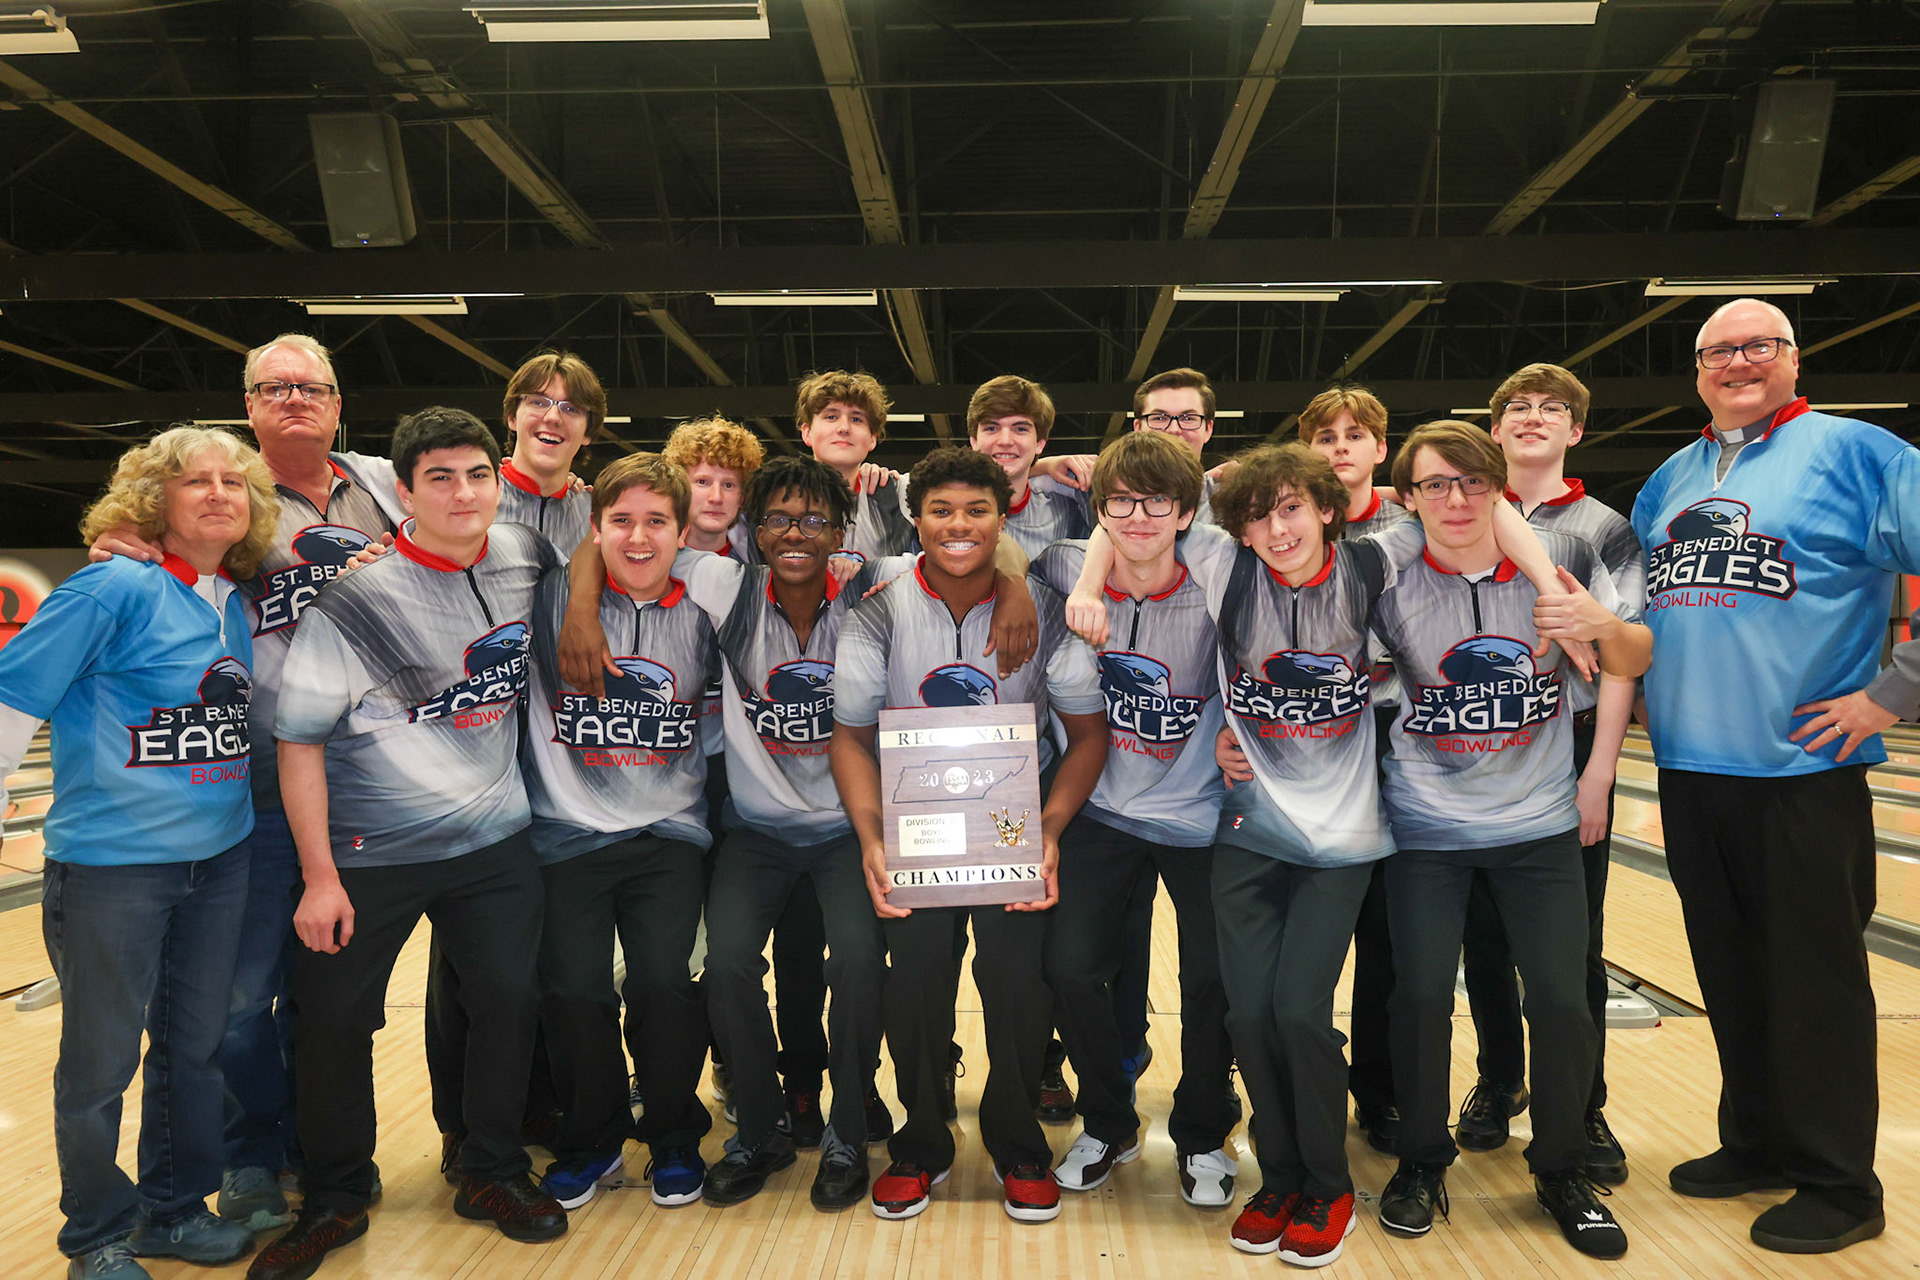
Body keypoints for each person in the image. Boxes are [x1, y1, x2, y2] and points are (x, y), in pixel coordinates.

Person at [87, 334, 402, 1234]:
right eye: (276, 387)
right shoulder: (228, 498)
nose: (295, 399)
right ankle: (254, 1155)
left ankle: (328, 1148)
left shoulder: (385, 483)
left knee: (335, 995)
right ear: (251, 403)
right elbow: (144, 532)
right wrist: (122, 538)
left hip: (376, 777)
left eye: (313, 387)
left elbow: (477, 508)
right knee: (236, 995)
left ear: (340, 404)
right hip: (263, 775)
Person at [249, 408, 567, 1280]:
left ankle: (489, 1168)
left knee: (506, 1004)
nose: (462, 493)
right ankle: (337, 1195)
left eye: (476, 475)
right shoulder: (353, 600)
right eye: (440, 478)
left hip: (495, 842)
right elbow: (300, 740)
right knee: (333, 1021)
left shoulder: (524, 557)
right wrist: (319, 875)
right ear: (403, 491)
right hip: (366, 850)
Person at [1631, 298, 1920, 1254]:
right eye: (1718, 351)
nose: (1737, 362)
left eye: (1759, 345)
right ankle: (1755, 1140)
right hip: (1687, 767)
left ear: (1796, 359)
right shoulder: (1669, 479)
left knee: (1816, 983)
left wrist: (1892, 694)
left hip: (1802, 769)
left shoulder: (1864, 454)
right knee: (1731, 970)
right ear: (1699, 371)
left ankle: (1840, 1182)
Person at [0, 426, 277, 1280]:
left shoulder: (230, 595)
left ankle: (172, 1212)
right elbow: (13, 697)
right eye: (198, 481)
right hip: (114, 870)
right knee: (99, 1068)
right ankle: (96, 1237)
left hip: (221, 858)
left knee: (191, 1051)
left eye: (235, 481)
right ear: (153, 497)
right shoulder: (110, 587)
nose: (221, 494)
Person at [1370, 421, 1647, 1260]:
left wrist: (1595, 620)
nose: (1454, 501)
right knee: (1420, 998)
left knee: (1561, 999)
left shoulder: (1561, 559)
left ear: (1497, 487)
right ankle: (1422, 1161)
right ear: (1408, 497)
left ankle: (1561, 1169)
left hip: (1537, 827)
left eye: (1470, 483)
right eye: (1433, 486)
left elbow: (1634, 653)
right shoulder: (1385, 567)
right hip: (1424, 828)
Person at [830, 447, 1108, 1225]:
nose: (959, 525)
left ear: (1001, 517)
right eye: (942, 511)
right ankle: (922, 1142)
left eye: (976, 510)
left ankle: (1019, 1142)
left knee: (1019, 985)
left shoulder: (1044, 611)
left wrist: (1048, 833)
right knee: (915, 988)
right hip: (914, 833)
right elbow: (849, 736)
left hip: (1011, 829)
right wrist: (870, 838)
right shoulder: (877, 606)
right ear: (915, 520)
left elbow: (1086, 737)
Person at [1031, 432, 1237, 1210]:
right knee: (1071, 968)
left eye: (1159, 501)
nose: (1141, 516)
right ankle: (1109, 1120)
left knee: (1212, 980)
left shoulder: (1218, 563)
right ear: (1099, 509)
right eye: (1122, 500)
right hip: (1104, 810)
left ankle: (1203, 1132)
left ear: (1187, 511)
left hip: (1202, 812)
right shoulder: (1058, 566)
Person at [1456, 363, 1644, 1181]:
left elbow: (1621, 653)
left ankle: (1584, 1102)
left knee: (1573, 950)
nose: (1534, 417)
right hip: (1469, 752)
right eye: (1517, 408)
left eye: (1553, 409)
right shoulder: (1455, 506)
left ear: (1576, 431)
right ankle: (1501, 1081)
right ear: (1494, 430)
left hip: (1562, 747)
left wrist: (1599, 772)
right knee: (1483, 938)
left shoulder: (1604, 527)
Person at [520, 453, 719, 1212]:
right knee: (573, 993)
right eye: (621, 521)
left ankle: (673, 1137)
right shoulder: (545, 600)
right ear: (595, 527)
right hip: (566, 831)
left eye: (656, 522)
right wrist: (579, 594)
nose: (639, 538)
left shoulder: (708, 602)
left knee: (664, 985)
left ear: (683, 530)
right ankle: (592, 1139)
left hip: (670, 832)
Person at [426, 350, 601, 1174]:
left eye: (569, 408)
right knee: (469, 959)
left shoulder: (599, 510)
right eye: (537, 401)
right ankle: (464, 1119)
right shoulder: (461, 494)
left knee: (537, 956)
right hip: (479, 753)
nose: (551, 416)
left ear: (588, 431)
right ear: (511, 415)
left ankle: (544, 1098)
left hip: (569, 760)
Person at [1298, 383, 1409, 1156]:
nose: (1340, 447)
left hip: (1391, 741)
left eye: (1354, 435)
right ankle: (1292, 1081)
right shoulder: (1283, 526)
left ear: (1379, 448)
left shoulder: (1411, 525)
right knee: (1303, 937)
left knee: (1385, 934)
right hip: (1304, 747)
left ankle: (1379, 1089)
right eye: (1325, 436)